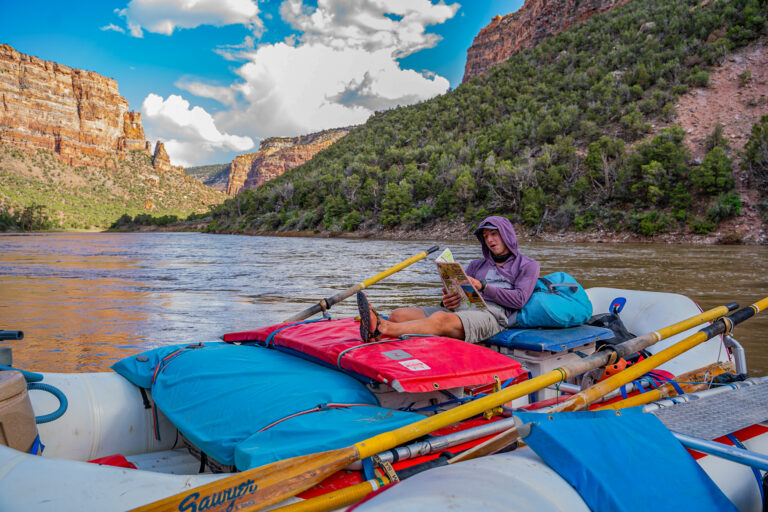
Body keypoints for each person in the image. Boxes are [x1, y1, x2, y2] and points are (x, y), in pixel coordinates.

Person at [357, 216, 540, 343]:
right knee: (399, 315)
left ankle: (381, 329)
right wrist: (448, 301)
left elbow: (519, 300)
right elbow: (462, 296)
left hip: (494, 315)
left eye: (493, 234)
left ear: (506, 234)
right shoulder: (476, 265)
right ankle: (384, 326)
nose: (489, 240)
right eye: (485, 237)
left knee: (440, 318)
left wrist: (482, 286)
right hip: (464, 309)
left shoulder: (527, 265)